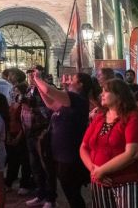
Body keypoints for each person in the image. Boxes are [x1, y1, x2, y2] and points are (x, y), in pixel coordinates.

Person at [80, 78, 138, 208]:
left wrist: (101, 171)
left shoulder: (133, 117)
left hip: (127, 181)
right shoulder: (100, 117)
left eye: (106, 91)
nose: (102, 94)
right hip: (99, 181)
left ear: (119, 95)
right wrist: (94, 171)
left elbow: (132, 153)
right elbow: (83, 147)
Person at [33, 70, 90, 208]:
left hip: (69, 154)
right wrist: (38, 84)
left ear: (80, 84)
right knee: (69, 190)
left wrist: (38, 78)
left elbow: (48, 90)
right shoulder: (70, 101)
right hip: (60, 153)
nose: (69, 82)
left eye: (73, 80)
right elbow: (50, 103)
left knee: (72, 191)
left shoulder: (78, 99)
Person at [22, 66, 55, 208]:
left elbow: (48, 109)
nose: (31, 77)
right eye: (29, 74)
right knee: (35, 166)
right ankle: (40, 194)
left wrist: (31, 105)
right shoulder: (29, 89)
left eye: (34, 74)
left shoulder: (47, 89)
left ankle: (50, 198)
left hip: (42, 132)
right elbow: (21, 101)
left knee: (46, 166)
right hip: (30, 132)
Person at [5, 68, 33, 195]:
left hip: (22, 133)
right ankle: (9, 181)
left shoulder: (23, 104)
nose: (13, 93)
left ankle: (25, 183)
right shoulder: (13, 103)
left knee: (24, 159)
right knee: (12, 159)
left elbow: (24, 121)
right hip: (12, 132)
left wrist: (19, 136)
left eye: (16, 91)